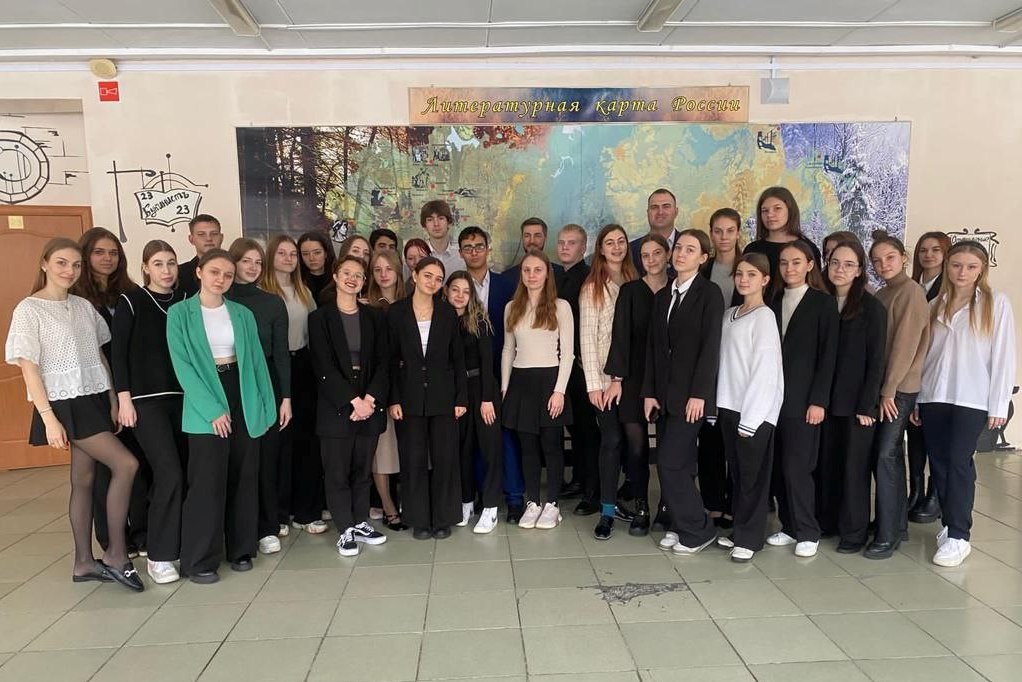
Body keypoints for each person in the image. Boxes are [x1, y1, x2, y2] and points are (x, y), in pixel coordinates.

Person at [6, 238, 143, 591]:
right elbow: (29, 368)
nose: (70, 271)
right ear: (45, 263)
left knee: (83, 479)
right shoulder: (29, 309)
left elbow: (98, 355)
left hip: (94, 396)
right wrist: (49, 418)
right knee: (126, 464)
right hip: (65, 403)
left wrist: (112, 398)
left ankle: (83, 562)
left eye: (76, 265)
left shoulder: (82, 306)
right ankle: (116, 554)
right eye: (62, 263)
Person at [167, 249, 276, 583]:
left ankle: (241, 549)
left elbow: (256, 362)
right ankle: (200, 560)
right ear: (199, 272)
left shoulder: (242, 313)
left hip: (241, 391)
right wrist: (213, 409)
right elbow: (183, 367)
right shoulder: (180, 313)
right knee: (207, 482)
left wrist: (266, 406)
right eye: (215, 272)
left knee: (244, 475)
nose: (221, 279)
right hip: (205, 397)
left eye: (228, 275)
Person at [915, 240, 1016, 567]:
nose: (962, 272)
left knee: (959, 462)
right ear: (947, 266)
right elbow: (926, 356)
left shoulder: (995, 304)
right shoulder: (936, 304)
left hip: (970, 398)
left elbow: (1003, 356)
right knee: (939, 463)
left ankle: (960, 535)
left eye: (971, 267)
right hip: (934, 396)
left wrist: (998, 403)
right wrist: (918, 398)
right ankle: (949, 525)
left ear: (981, 270)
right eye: (957, 265)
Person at [111, 240, 189, 584]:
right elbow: (119, 354)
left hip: (185, 399)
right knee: (168, 471)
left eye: (171, 263)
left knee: (182, 472)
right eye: (158, 263)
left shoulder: (186, 300)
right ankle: (159, 555)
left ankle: (177, 542)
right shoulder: (131, 301)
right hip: (146, 401)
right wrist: (124, 399)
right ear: (145, 267)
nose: (166, 270)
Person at [641, 230, 724, 554]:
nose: (681, 254)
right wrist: (649, 392)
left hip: (692, 397)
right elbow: (654, 347)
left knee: (669, 463)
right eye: (678, 247)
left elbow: (710, 347)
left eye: (690, 250)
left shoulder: (710, 294)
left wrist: (700, 394)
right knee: (683, 464)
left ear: (703, 258)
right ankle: (679, 523)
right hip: (664, 395)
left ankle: (698, 530)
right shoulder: (664, 295)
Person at [72, 227, 148, 558]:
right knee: (105, 470)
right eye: (99, 252)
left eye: (113, 253)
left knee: (140, 461)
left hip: (133, 389)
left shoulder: (131, 294)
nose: (107, 258)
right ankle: (112, 539)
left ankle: (143, 532)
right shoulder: (76, 299)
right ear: (86, 256)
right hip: (97, 392)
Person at [308, 255, 390, 556]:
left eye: (358, 275)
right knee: (337, 472)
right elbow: (323, 365)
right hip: (337, 405)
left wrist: (369, 400)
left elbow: (384, 363)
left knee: (362, 470)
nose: (352, 279)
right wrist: (353, 400)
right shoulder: (319, 318)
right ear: (335, 276)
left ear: (364, 281)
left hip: (369, 401)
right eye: (347, 273)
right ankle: (345, 529)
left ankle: (359, 522)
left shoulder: (374, 317)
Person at [765, 239, 838, 559]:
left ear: (810, 265)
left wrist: (819, 400)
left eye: (796, 262)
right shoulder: (772, 299)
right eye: (784, 263)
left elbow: (828, 356)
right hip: (772, 398)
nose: (789, 268)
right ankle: (789, 526)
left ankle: (808, 531)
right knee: (778, 466)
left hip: (804, 399)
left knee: (798, 468)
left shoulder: (823, 303)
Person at [387, 257, 467, 540]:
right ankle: (418, 519)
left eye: (438, 278)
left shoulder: (447, 312)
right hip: (408, 397)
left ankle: (443, 518)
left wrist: (461, 398)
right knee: (413, 460)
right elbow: (389, 360)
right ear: (415, 275)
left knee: (445, 459)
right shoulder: (396, 312)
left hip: (443, 397)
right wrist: (393, 398)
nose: (433, 282)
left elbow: (457, 359)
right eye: (428, 276)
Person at [714, 253, 785, 562]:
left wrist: (752, 419)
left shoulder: (764, 317)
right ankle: (739, 531)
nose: (744, 279)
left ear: (765, 280)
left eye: (752, 274)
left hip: (753, 412)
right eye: (740, 273)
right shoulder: (730, 314)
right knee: (739, 476)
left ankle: (750, 539)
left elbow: (766, 371)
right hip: (729, 406)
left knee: (754, 479)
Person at [818, 240, 887, 553]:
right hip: (824, 402)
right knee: (827, 464)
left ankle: (854, 532)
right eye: (835, 263)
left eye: (848, 265)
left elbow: (877, 361)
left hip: (856, 405)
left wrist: (867, 405)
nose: (840, 270)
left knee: (853, 470)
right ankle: (827, 522)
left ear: (859, 270)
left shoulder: (872, 308)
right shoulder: (822, 302)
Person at [865, 230, 930, 559]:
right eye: (877, 261)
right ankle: (894, 524)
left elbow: (905, 346)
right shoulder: (884, 293)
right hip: (886, 389)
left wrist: (889, 391)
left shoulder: (911, 292)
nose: (883, 265)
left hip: (899, 390)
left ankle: (888, 535)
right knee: (886, 456)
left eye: (889, 257)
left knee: (885, 455)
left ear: (903, 257)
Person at [226, 238, 292, 553]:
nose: (252, 267)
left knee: (265, 458)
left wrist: (286, 398)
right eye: (246, 261)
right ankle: (236, 528)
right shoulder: (218, 300)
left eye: (257, 262)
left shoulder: (272, 303)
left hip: (266, 384)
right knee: (237, 460)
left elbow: (281, 354)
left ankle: (267, 526)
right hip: (228, 384)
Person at [502, 249, 574, 530]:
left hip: (550, 381)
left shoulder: (560, 306)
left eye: (537, 270)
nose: (531, 275)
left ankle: (552, 504)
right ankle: (532, 502)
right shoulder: (512, 307)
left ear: (547, 274)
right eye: (527, 270)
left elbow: (567, 353)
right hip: (521, 382)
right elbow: (508, 350)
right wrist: (505, 387)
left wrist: (560, 391)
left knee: (551, 446)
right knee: (528, 448)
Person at [261, 235, 327, 535]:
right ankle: (279, 513)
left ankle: (306, 511)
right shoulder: (262, 292)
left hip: (303, 366)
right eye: (282, 253)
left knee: (307, 442)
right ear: (271, 257)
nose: (289, 259)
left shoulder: (303, 291)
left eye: (292, 254)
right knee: (280, 443)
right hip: (275, 369)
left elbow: (315, 333)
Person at [605, 234, 670, 537]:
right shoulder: (630, 291)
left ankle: (667, 506)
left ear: (668, 255)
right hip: (633, 378)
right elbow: (620, 336)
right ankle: (642, 506)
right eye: (645, 255)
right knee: (636, 447)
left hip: (668, 379)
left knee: (669, 447)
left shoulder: (677, 290)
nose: (652, 259)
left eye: (657, 253)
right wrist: (616, 379)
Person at [457, 226, 520, 522]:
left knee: (505, 436)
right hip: (471, 376)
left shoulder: (507, 284)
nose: (474, 252)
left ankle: (514, 496)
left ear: (488, 249)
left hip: (504, 370)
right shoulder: (456, 287)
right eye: (467, 247)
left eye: (479, 246)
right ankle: (483, 495)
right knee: (475, 439)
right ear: (461, 253)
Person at [579, 224, 638, 539]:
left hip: (633, 378)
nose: (616, 247)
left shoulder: (635, 279)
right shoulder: (593, 287)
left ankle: (632, 499)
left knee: (631, 441)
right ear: (600, 249)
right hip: (603, 379)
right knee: (611, 439)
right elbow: (587, 338)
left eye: (621, 241)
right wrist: (593, 384)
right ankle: (607, 510)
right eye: (609, 243)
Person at [697, 207, 744, 528]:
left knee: (736, 434)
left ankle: (734, 500)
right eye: (718, 231)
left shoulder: (748, 267)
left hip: (739, 360)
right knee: (710, 433)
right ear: (711, 234)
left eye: (729, 230)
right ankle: (713, 501)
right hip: (710, 358)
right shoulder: (704, 269)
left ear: (738, 232)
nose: (724, 237)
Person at [446, 271, 503, 534]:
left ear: (472, 296)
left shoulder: (478, 320)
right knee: (463, 450)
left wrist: (487, 398)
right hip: (457, 393)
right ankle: (466, 502)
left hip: (481, 389)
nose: (460, 295)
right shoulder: (442, 321)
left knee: (489, 450)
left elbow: (487, 361)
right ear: (446, 291)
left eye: (466, 291)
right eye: (455, 290)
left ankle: (490, 507)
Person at [554, 224, 601, 517]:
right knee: (574, 426)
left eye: (572, 243)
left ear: (584, 248)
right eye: (561, 242)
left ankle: (593, 491)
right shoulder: (554, 277)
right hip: (560, 365)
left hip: (584, 366)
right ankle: (580, 479)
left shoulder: (590, 279)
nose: (565, 247)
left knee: (587, 430)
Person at [906, 230, 952, 524]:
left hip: (937, 372)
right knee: (914, 439)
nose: (928, 255)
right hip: (912, 373)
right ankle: (916, 492)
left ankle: (935, 495)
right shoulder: (913, 287)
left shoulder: (950, 291)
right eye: (923, 250)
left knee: (936, 440)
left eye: (936, 250)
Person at [365, 250, 407, 531]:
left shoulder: (412, 302)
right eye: (377, 269)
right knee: (383, 450)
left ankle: (409, 501)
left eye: (388, 268)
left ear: (398, 271)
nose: (383, 274)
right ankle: (388, 506)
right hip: (379, 384)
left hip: (409, 384)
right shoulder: (366, 306)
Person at [742, 187, 822, 305]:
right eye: (765, 210)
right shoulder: (752, 249)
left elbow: (815, 290)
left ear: (790, 210)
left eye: (777, 208)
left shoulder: (807, 248)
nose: (770, 214)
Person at [630, 189, 682, 278]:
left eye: (666, 206)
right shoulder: (631, 250)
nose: (660, 212)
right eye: (654, 207)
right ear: (647, 213)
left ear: (676, 212)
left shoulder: (691, 246)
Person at [502, 218, 564, 284]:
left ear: (545, 238)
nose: (532, 241)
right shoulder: (507, 277)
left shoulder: (561, 274)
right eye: (527, 236)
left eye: (537, 236)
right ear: (522, 238)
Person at [177, 214, 224, 296]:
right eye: (201, 234)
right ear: (191, 239)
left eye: (214, 233)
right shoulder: (180, 274)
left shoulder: (235, 269)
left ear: (221, 237)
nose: (209, 238)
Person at [420, 200, 464, 277]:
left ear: (448, 222)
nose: (436, 224)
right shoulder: (419, 255)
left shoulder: (461, 255)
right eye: (430, 220)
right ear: (425, 226)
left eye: (441, 218)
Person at [297, 231, 336, 302]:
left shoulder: (337, 279)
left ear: (326, 253)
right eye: (305, 254)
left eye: (317, 253)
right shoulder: (297, 281)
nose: (311, 258)